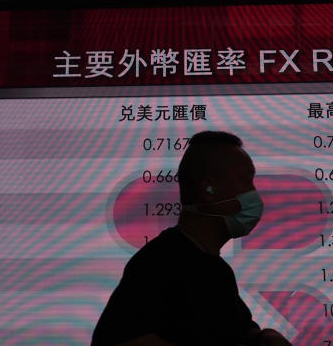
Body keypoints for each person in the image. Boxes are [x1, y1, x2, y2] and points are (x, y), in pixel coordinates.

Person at [91, 130, 293, 346]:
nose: (254, 194)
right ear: (208, 189)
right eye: (246, 181)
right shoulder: (160, 262)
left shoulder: (217, 271)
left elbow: (234, 331)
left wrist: (265, 337)